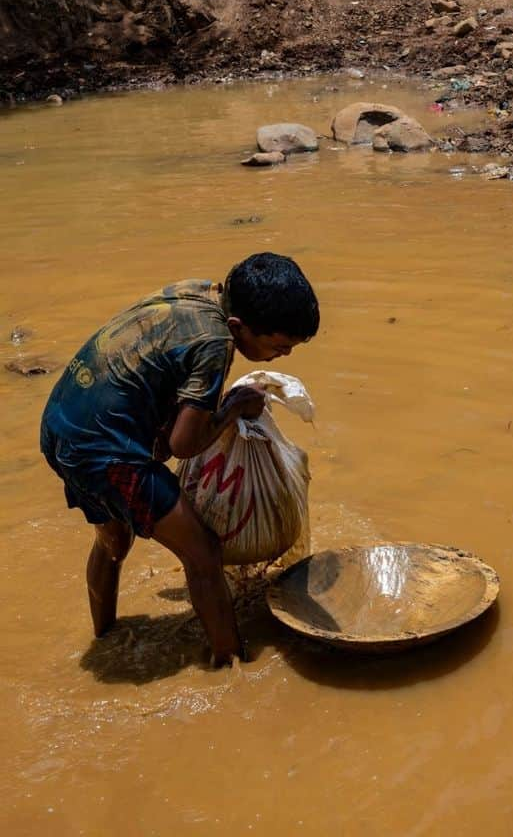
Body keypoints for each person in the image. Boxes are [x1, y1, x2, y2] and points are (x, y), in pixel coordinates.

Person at [40, 252, 319, 666]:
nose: (285, 356)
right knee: (203, 552)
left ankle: (106, 636)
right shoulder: (216, 344)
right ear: (240, 328)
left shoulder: (200, 293)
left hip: (64, 423)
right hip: (106, 449)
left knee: (113, 540)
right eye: (279, 347)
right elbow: (184, 444)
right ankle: (229, 663)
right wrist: (234, 407)